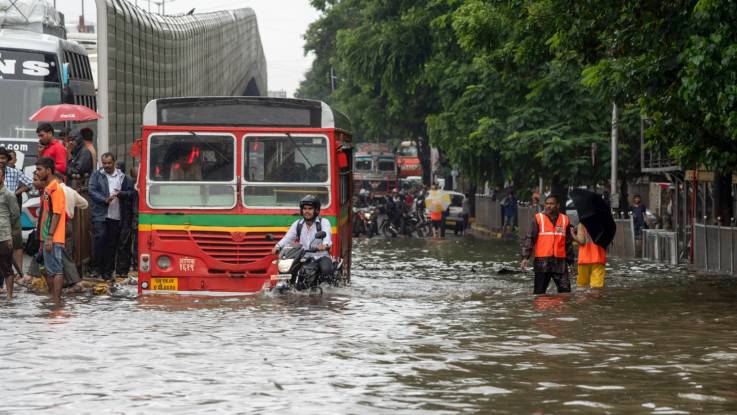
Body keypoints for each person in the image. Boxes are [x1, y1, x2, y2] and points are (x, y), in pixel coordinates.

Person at [89, 153, 134, 280]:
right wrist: (104, 199)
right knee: (100, 239)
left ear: (114, 162)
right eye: (104, 163)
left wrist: (121, 194)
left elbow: (132, 193)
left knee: (111, 244)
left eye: (109, 163)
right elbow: (92, 190)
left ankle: (108, 271)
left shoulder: (123, 177)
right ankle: (97, 268)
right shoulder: (97, 175)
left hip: (116, 215)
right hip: (100, 214)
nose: (107, 166)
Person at [520, 195, 574, 295]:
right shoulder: (538, 218)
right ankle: (541, 310)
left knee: (565, 293)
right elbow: (530, 238)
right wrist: (525, 257)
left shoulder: (564, 219)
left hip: (560, 262)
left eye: (552, 204)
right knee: (539, 293)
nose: (549, 206)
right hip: (542, 262)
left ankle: (562, 310)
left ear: (557, 205)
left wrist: (570, 263)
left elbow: (568, 243)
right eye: (547, 204)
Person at [271, 195, 333, 278]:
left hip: (320, 256)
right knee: (290, 270)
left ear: (316, 210)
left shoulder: (324, 222)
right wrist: (278, 246)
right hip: (303, 257)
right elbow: (288, 238)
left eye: (310, 209)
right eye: (305, 209)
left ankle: (328, 289)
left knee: (326, 271)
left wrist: (325, 245)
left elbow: (327, 236)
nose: (307, 211)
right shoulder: (298, 224)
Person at [35, 157, 66, 304]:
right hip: (48, 235)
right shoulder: (49, 188)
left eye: (40, 169)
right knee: (50, 271)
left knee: (57, 270)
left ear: (48, 170)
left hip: (54, 237)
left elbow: (57, 213)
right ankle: (55, 302)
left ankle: (57, 302)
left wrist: (50, 236)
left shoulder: (56, 189)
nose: (37, 172)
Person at [0, 147, 32, 271]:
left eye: (3, 158)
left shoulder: (14, 172)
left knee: (17, 244)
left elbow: (29, 183)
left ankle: (18, 274)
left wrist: (15, 193)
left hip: (13, 213)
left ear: (8, 160)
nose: (0, 160)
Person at [0, 166, 20, 299]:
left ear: (3, 177)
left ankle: (10, 297)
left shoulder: (8, 195)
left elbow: (15, 215)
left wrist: (10, 235)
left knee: (6, 267)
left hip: (4, 236)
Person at [572, 222, 607, 288]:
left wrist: (572, 233)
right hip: (598, 258)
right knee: (596, 288)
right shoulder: (604, 223)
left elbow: (582, 241)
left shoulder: (582, 223)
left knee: (582, 287)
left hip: (584, 259)